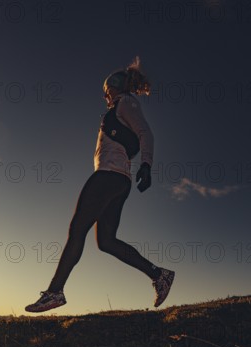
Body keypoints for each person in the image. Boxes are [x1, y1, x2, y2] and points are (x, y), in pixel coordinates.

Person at [25, 56, 175, 313]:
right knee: (105, 241)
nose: (106, 97)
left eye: (107, 92)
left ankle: (54, 292)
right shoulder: (119, 105)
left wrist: (147, 165)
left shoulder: (126, 103)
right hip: (119, 180)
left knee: (77, 229)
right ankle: (158, 275)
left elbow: (145, 133)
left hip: (108, 177)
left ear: (115, 88)